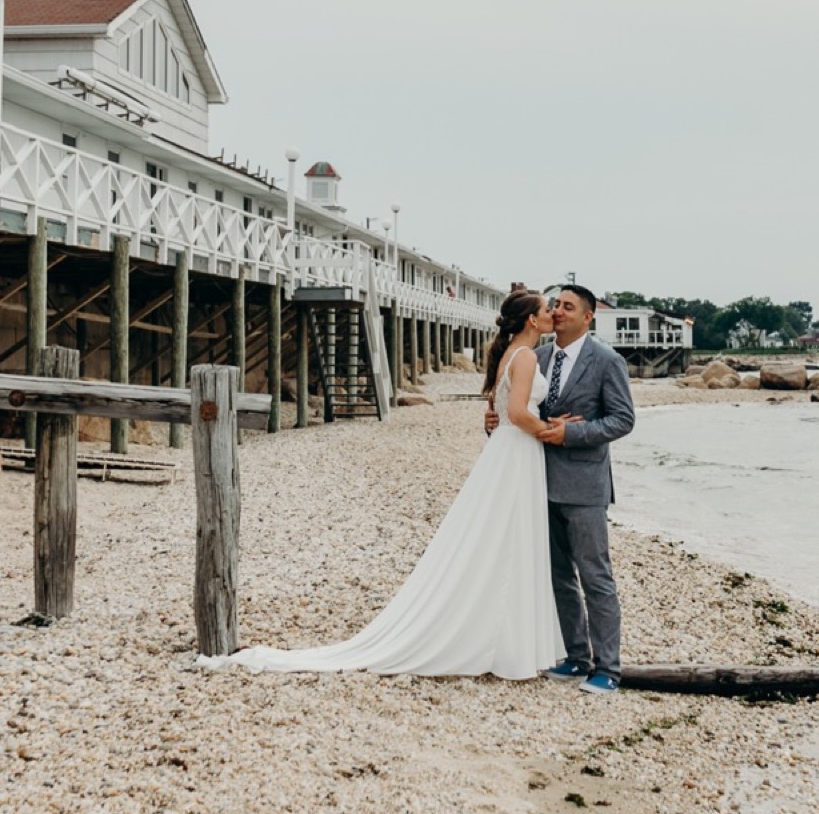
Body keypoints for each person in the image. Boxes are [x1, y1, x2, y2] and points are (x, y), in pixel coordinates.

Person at [197, 289, 567, 679]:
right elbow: (516, 412)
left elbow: (498, 411)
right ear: (531, 320)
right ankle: (504, 643)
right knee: (510, 540)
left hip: (508, 454)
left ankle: (502, 638)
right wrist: (554, 431)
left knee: (501, 541)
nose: (551, 315)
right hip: (518, 452)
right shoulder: (525, 356)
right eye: (546, 310)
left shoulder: (510, 353)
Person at [485, 284, 637, 694]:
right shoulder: (537, 357)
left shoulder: (607, 361)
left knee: (596, 577)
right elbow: (520, 408)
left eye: (569, 307)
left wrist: (572, 433)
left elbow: (623, 420)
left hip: (584, 484)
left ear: (588, 317)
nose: (559, 311)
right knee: (558, 577)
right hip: (536, 480)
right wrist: (495, 421)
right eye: (556, 305)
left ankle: (608, 669)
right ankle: (575, 658)